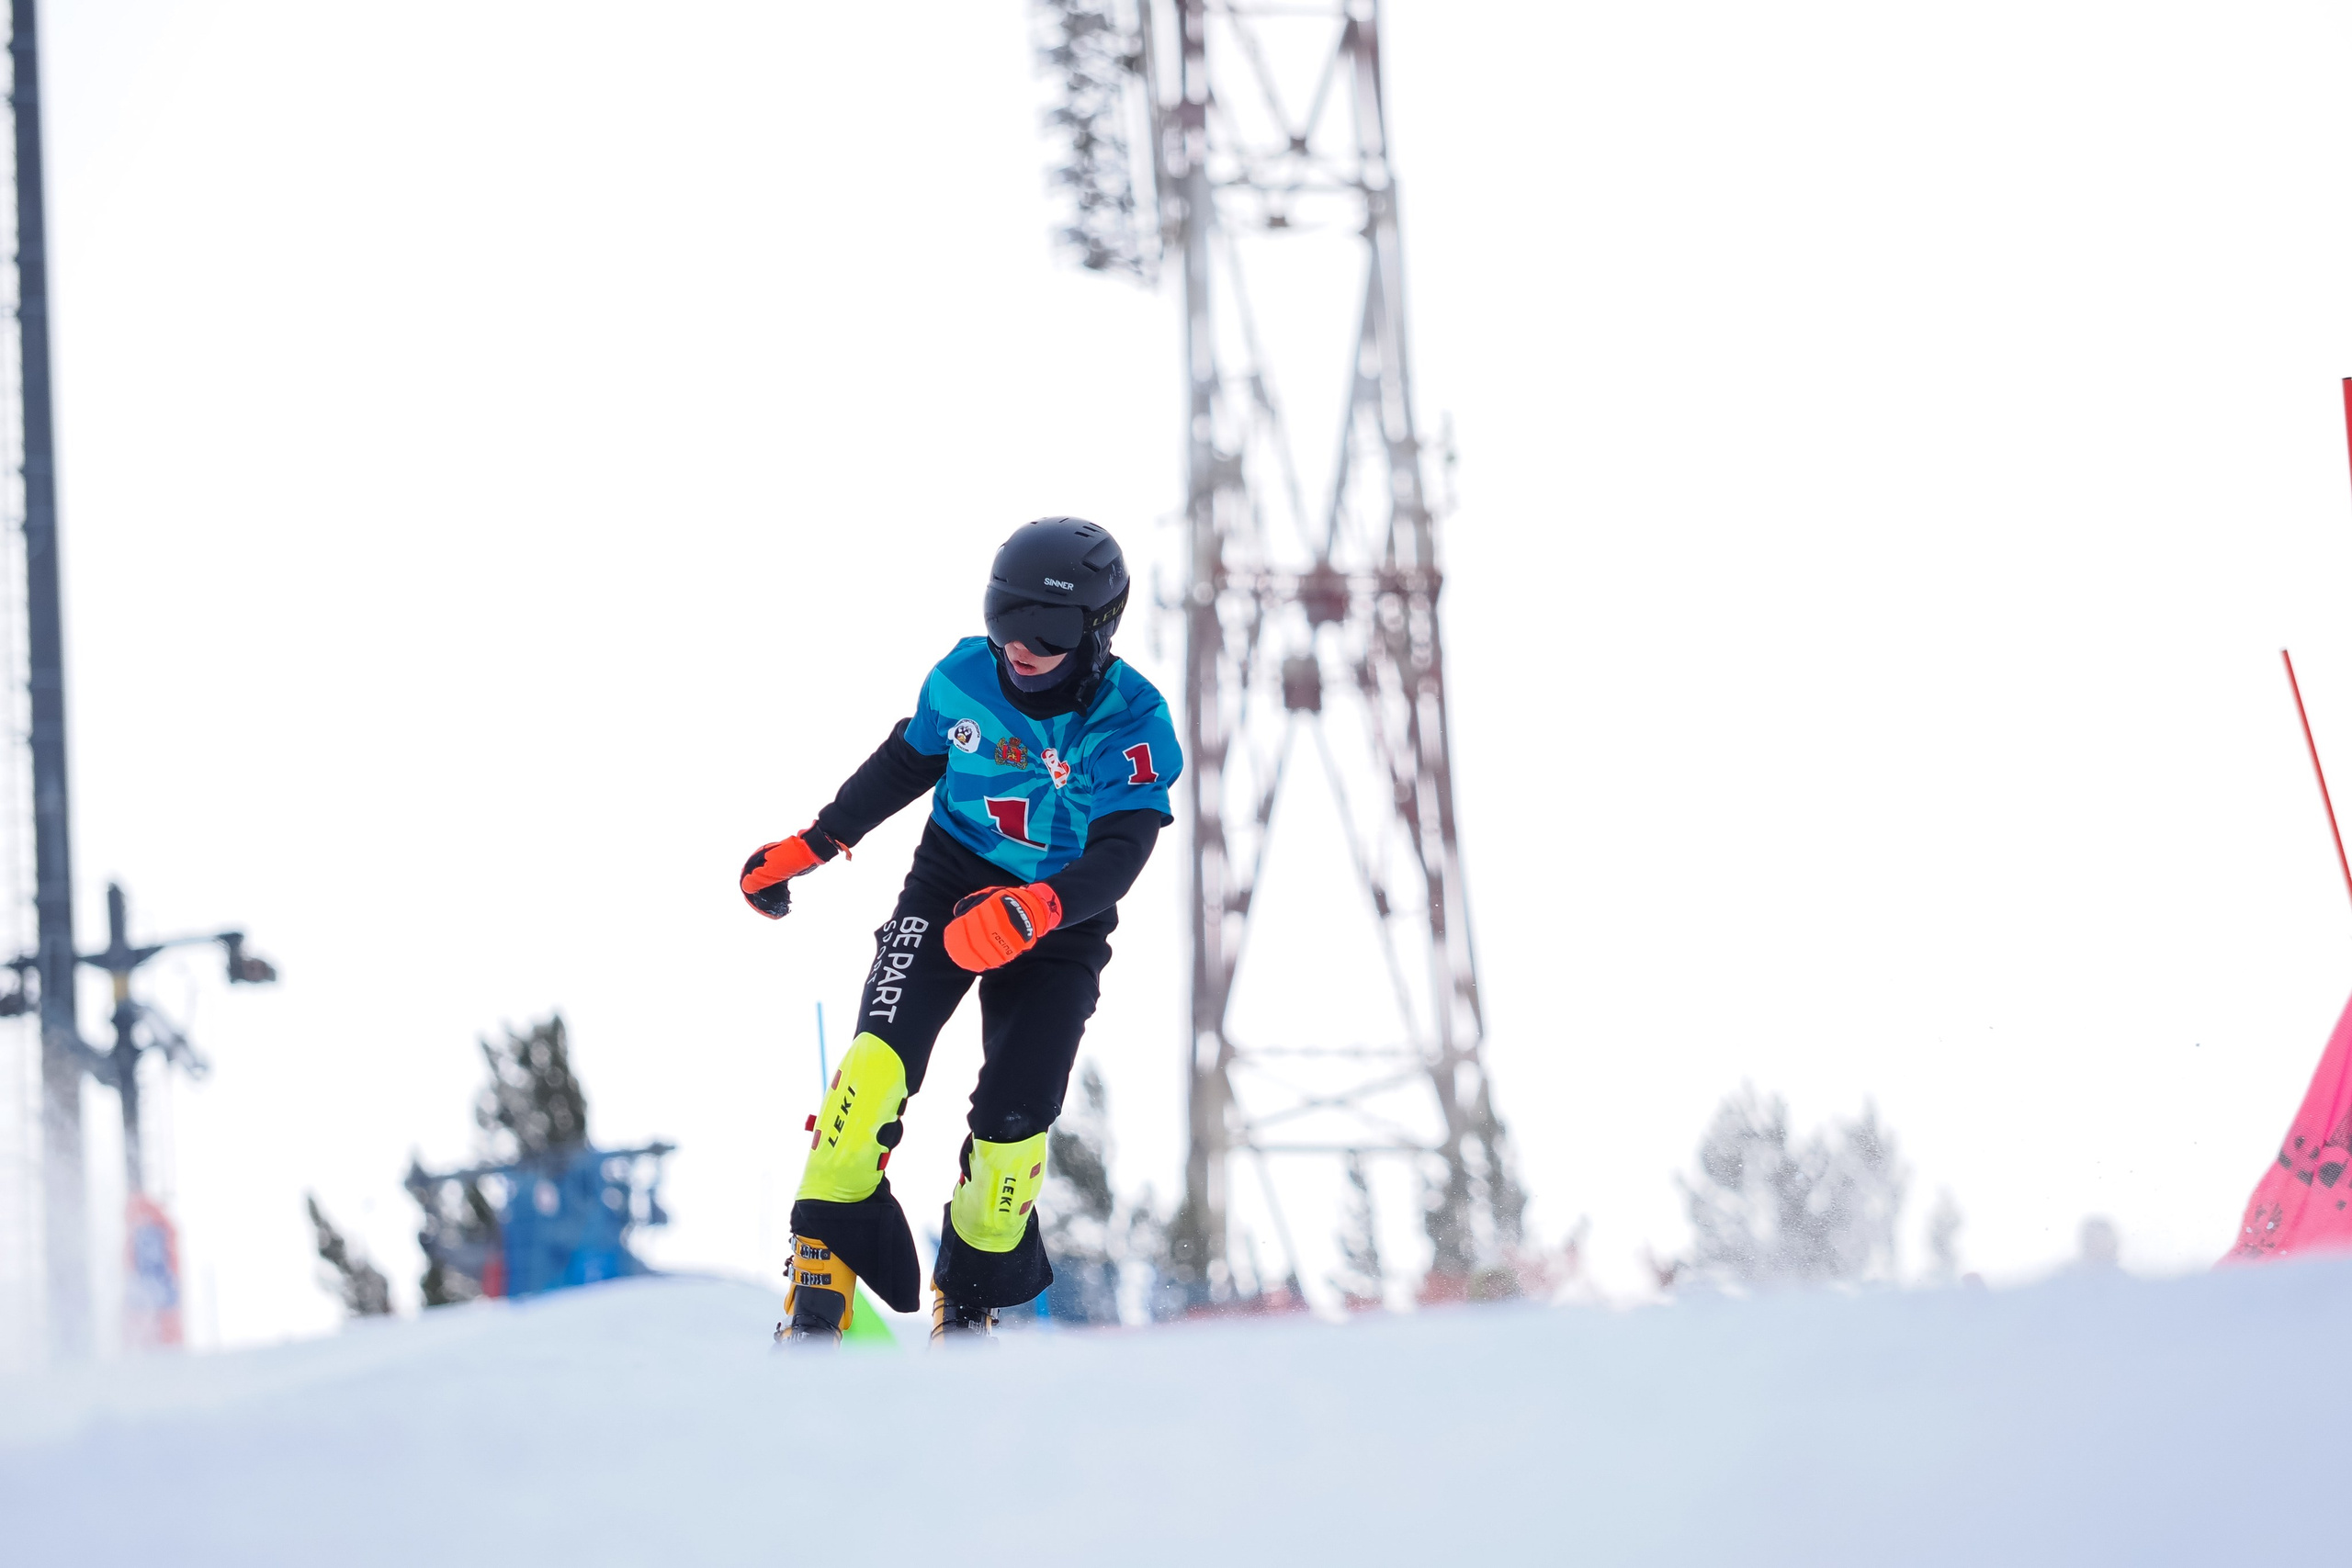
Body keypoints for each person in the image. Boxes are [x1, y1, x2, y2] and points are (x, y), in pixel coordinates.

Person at [741, 517, 1182, 1343]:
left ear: (1097, 631)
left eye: (1048, 630)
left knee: (1016, 1122)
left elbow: (1123, 850)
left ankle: (970, 1300)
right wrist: (817, 841)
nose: (1020, 645)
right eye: (1005, 616)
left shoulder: (1131, 721)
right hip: (948, 886)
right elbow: (905, 763)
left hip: (1059, 921)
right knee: (873, 1067)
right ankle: (821, 1275)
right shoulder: (964, 678)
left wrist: (1038, 909)